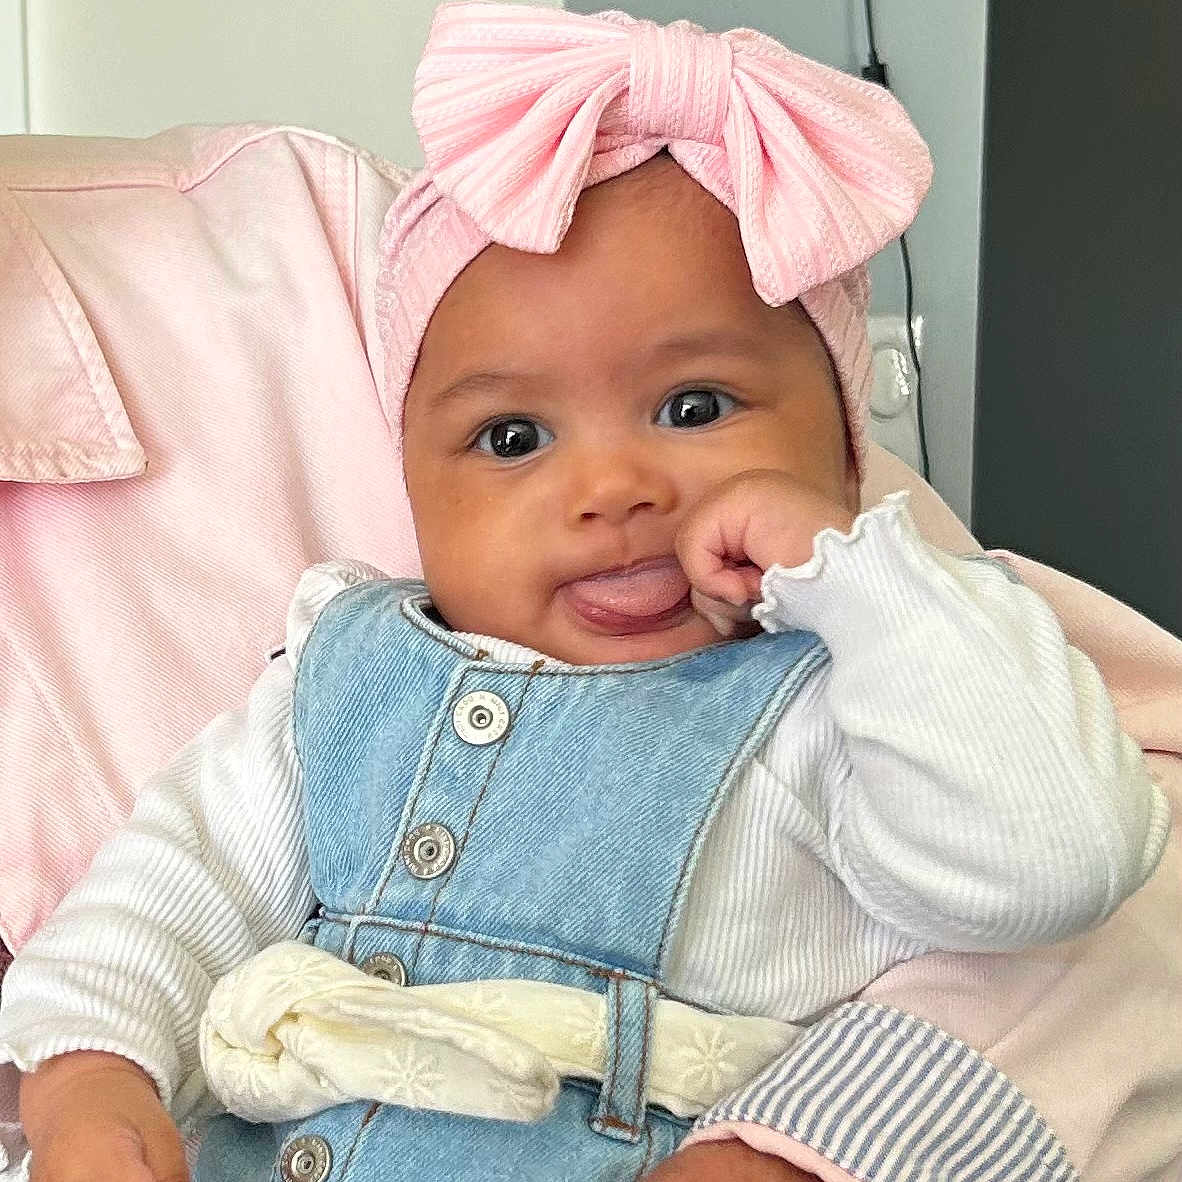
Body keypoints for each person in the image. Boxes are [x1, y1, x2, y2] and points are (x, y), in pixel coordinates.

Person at [0, 5, 1169, 1181]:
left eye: (696, 408)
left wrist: (864, 578)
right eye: (512, 436)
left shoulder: (856, 706)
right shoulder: (341, 671)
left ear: (845, 449)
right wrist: (90, 1077)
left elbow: (1061, 869)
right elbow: (168, 878)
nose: (612, 487)